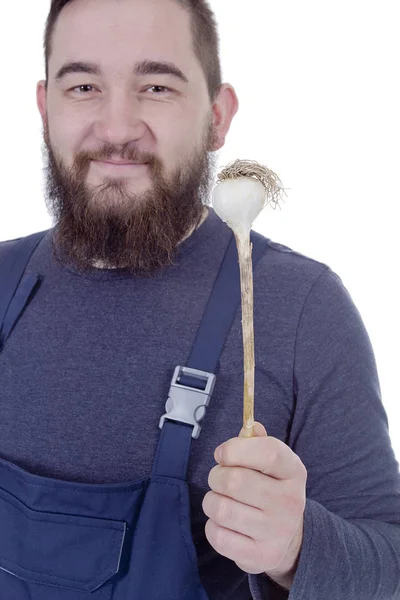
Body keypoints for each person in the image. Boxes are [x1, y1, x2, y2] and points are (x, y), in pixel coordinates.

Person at [0, 0, 399, 598]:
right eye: (83, 85)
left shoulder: (299, 307)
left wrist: (295, 549)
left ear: (217, 116)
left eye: (156, 86)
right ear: (44, 107)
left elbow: (389, 561)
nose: (116, 128)